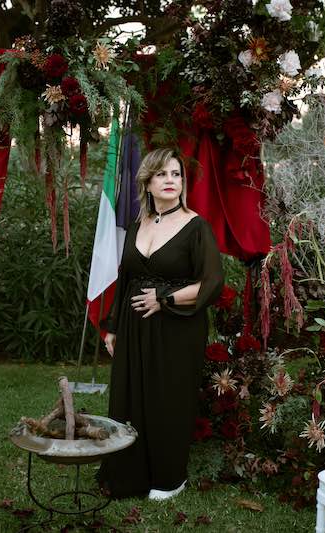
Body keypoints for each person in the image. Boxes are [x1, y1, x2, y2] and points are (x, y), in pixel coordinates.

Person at [98, 148, 224, 500]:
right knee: (131, 396)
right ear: (148, 182)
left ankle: (170, 478)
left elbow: (212, 282)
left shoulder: (196, 227)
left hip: (176, 329)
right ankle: (129, 472)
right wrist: (113, 327)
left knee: (167, 401)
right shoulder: (137, 225)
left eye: (176, 174)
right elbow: (126, 280)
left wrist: (164, 299)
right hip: (134, 326)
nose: (171, 180)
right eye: (162, 174)